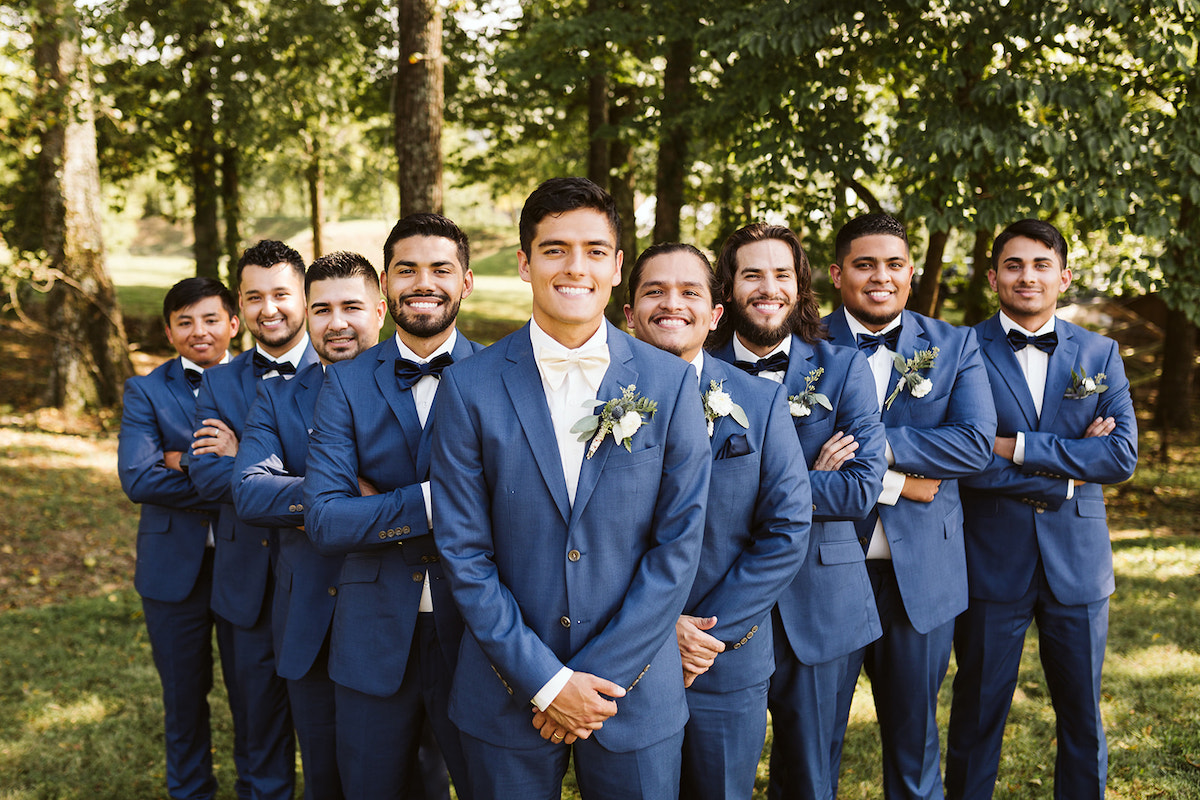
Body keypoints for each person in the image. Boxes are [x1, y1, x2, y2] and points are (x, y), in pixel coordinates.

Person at [431, 177, 711, 799]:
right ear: (526, 264)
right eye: (554, 249)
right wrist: (549, 684)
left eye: (593, 250)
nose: (574, 266)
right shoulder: (468, 388)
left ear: (616, 267)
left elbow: (678, 547)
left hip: (633, 693)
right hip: (506, 693)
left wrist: (597, 681)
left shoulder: (668, 385)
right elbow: (463, 554)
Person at [945, 219, 1137, 800]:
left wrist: (1020, 445)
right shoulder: (959, 349)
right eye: (1014, 265)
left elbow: (1122, 453)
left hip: (1077, 564)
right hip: (988, 561)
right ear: (993, 276)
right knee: (976, 718)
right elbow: (964, 456)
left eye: (1041, 265)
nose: (1027, 276)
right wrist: (1071, 469)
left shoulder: (1099, 351)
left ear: (1063, 276)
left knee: (1082, 718)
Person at [622, 242, 811, 800]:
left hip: (724, 657)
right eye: (654, 291)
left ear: (715, 313)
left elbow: (787, 529)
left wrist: (708, 633)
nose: (671, 304)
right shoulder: (592, 406)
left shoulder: (760, 401)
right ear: (628, 312)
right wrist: (658, 629)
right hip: (623, 655)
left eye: (690, 292)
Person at [303, 214, 481, 799]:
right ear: (384, 284)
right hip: (372, 633)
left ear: (467, 281)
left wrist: (378, 509)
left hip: (482, 634)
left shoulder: (505, 374)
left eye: (440, 269)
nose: (422, 282)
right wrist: (437, 499)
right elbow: (327, 520)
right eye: (407, 269)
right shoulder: (346, 384)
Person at [707, 222, 887, 800]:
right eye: (752, 274)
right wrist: (807, 483)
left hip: (823, 600)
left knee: (810, 779)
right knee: (713, 773)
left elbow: (861, 489)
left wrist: (742, 491)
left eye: (781, 274)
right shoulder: (696, 365)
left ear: (801, 284)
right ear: (728, 287)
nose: (768, 288)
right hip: (719, 598)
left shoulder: (843, 367)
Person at [822, 213, 995, 800]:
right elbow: (790, 456)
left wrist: (869, 448)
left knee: (915, 743)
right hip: (826, 569)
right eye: (865, 264)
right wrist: (906, 481)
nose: (880, 277)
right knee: (814, 743)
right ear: (837, 272)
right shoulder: (804, 345)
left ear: (911, 272)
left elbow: (973, 444)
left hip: (921, 575)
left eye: (894, 264)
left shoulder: (954, 344)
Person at [232, 251, 387, 799]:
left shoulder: (426, 389)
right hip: (310, 620)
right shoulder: (277, 398)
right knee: (325, 778)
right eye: (322, 309)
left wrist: (335, 510)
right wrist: (329, 499)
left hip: (401, 624)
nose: (336, 322)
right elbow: (249, 492)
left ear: (381, 308)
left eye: (351, 307)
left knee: (415, 778)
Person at [190, 240, 318, 800]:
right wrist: (260, 474)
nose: (270, 309)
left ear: (305, 299)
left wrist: (247, 458)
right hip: (245, 592)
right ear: (239, 311)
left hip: (322, 583)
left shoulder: (342, 366)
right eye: (255, 297)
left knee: (330, 739)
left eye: (282, 294)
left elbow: (359, 476)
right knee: (257, 737)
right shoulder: (219, 382)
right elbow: (206, 478)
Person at [117, 277, 241, 800]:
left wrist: (179, 460)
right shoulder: (145, 390)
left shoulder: (263, 382)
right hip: (173, 575)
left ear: (233, 323)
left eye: (211, 319)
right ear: (168, 331)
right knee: (184, 700)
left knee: (257, 699)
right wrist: (227, 472)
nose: (199, 332)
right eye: (185, 322)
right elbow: (139, 479)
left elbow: (278, 469)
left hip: (248, 565)